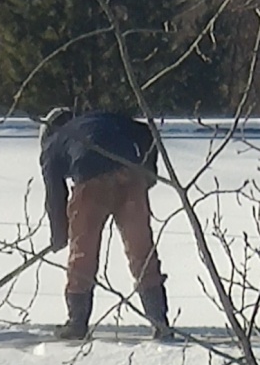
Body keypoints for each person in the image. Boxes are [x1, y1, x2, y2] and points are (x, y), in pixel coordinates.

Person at [40, 107, 171, 340]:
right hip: (130, 174)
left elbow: (54, 195)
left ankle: (77, 323)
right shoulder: (106, 117)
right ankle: (160, 321)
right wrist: (148, 170)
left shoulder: (53, 144)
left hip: (90, 181)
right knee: (142, 251)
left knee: (83, 254)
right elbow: (147, 131)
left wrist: (59, 232)